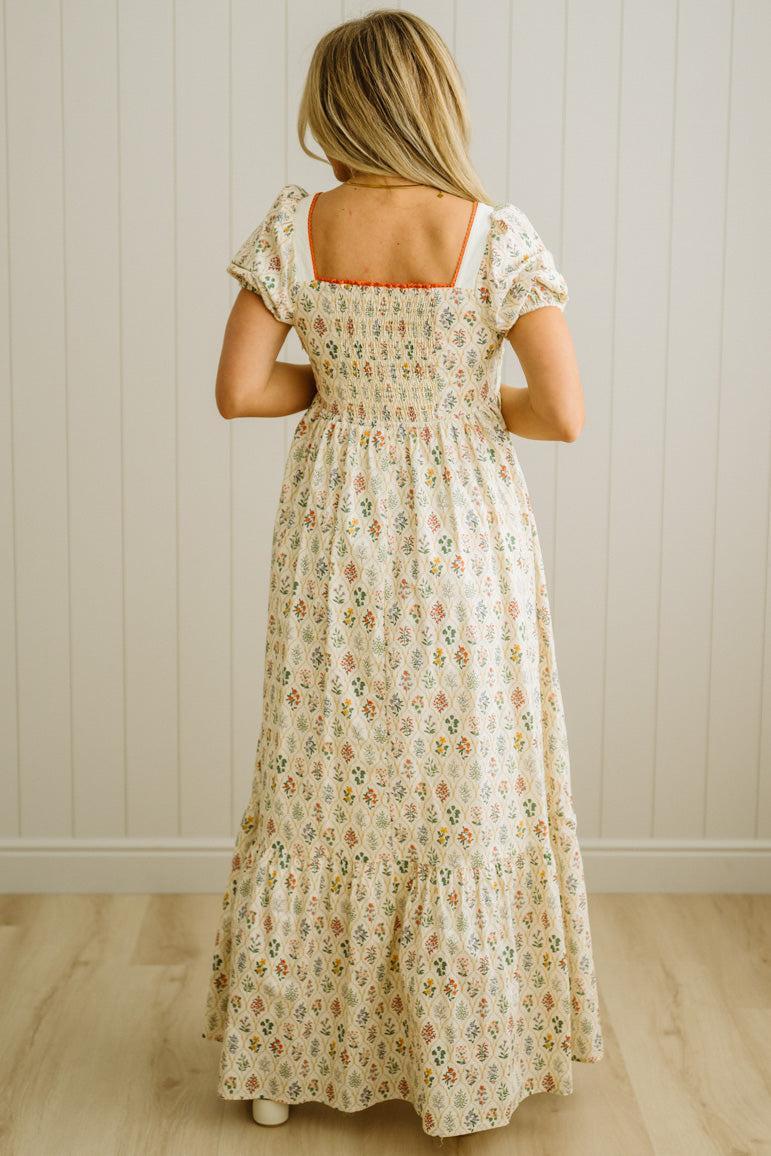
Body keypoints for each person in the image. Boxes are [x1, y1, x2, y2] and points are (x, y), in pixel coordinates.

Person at [202, 8, 603, 1140]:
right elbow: (563, 415)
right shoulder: (494, 236)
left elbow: (240, 389)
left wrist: (342, 391)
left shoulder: (300, 226)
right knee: (460, 789)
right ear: (434, 100)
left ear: (339, 107)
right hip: (464, 542)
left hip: (334, 531)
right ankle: (461, 1070)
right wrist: (460, 406)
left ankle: (282, 1063)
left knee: (319, 779)